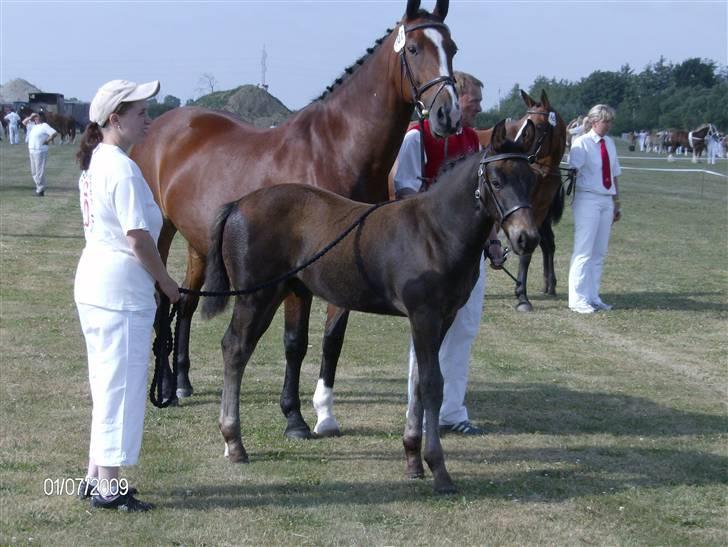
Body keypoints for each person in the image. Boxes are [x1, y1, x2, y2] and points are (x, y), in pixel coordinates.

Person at [74, 79, 180, 512]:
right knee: (119, 388)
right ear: (114, 119)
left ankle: (94, 475)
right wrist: (167, 283)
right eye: (140, 112)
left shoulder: (99, 161)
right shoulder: (119, 167)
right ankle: (109, 487)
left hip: (98, 286)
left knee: (106, 384)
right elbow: (138, 238)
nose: (148, 118)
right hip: (120, 292)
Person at [393, 71, 503, 436]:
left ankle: (452, 412)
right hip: (430, 251)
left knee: (464, 329)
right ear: (457, 98)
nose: (479, 109)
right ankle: (419, 408)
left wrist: (492, 239)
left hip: (469, 252)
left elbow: (487, 199)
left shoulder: (473, 140)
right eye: (475, 102)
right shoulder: (418, 136)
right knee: (426, 331)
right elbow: (405, 190)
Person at [567, 104, 622, 314]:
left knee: (599, 252)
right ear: (594, 121)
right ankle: (577, 298)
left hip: (606, 200)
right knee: (584, 251)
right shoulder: (581, 144)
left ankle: (592, 296)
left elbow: (615, 173)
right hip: (587, 198)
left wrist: (617, 202)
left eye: (610, 121)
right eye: (605, 121)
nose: (608, 125)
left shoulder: (610, 143)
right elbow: (573, 171)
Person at [26, 113, 57, 196]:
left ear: (42, 118)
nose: (36, 119)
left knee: (39, 171)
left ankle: (40, 190)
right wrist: (31, 116)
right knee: (34, 171)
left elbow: (54, 133)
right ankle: (39, 188)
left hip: (40, 150)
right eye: (35, 118)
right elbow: (24, 122)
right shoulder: (33, 126)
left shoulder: (44, 125)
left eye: (37, 117)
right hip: (32, 150)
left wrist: (47, 141)